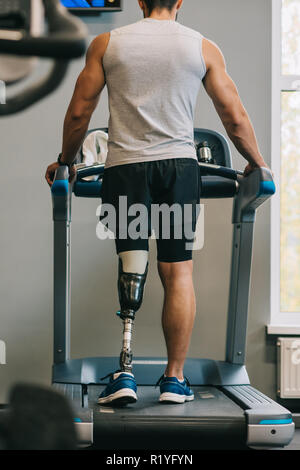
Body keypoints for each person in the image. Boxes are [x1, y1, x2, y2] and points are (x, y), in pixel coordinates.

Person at [46, 0, 270, 406]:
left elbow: (80, 111)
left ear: (139, 2)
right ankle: (173, 379)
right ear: (180, 1)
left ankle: (126, 373)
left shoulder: (107, 43)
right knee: (177, 272)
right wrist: (258, 163)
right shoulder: (201, 46)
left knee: (131, 264)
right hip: (178, 171)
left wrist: (65, 161)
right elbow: (233, 115)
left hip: (126, 170)